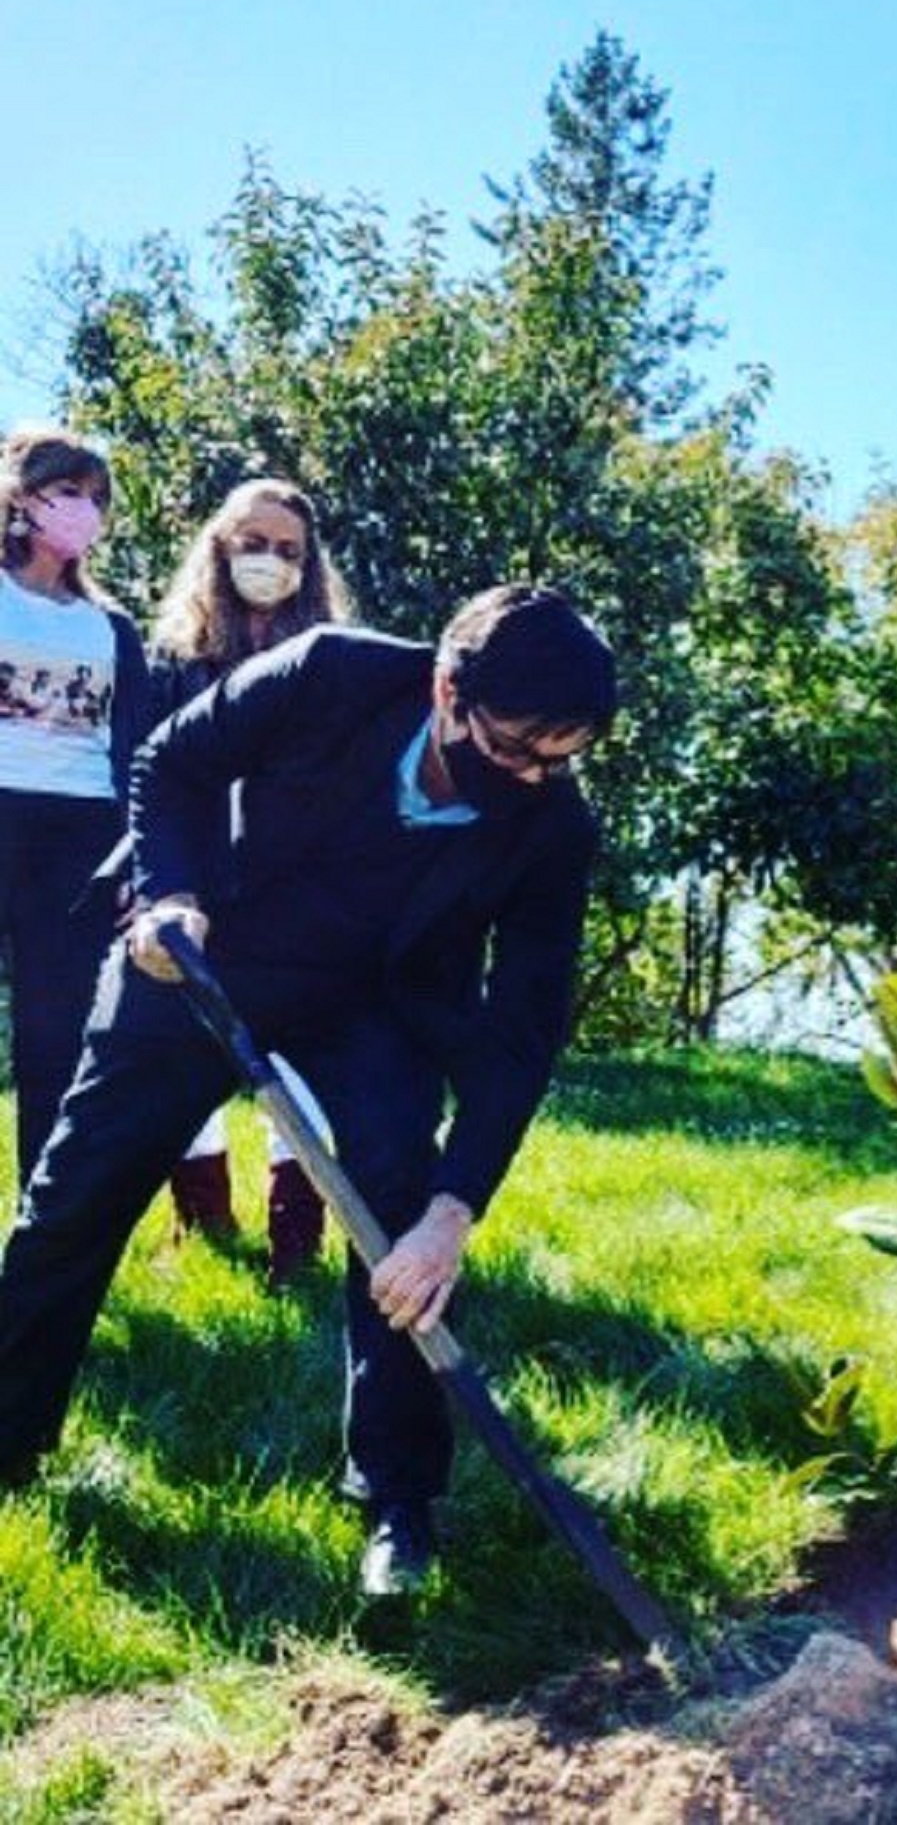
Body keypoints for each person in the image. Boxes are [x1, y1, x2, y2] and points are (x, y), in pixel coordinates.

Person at [0, 584, 616, 1595]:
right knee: (74, 1198)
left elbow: (521, 1030)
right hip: (202, 953)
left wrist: (453, 1212)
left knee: (398, 1210)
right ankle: (8, 1438)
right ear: (447, 688)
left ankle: (398, 1502)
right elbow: (172, 763)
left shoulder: (553, 828)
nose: (534, 776)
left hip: (376, 1001)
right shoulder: (328, 672)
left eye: (561, 757)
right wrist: (170, 896)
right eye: (515, 747)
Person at [149, 479, 356, 1280]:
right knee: (186, 1062)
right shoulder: (170, 663)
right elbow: (149, 779)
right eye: (251, 543)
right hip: (191, 890)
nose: (268, 561)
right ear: (218, 548)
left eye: (286, 550)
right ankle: (202, 1222)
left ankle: (295, 1241)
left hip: (296, 897)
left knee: (296, 1071)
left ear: (309, 566)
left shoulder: (331, 666)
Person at [0, 426, 150, 1190]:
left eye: (97, 499)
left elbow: (138, 751)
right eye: (68, 492)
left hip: (79, 836)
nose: (83, 510)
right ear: (22, 499)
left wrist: (135, 860)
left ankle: (38, 1219)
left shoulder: (112, 627)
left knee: (53, 1037)